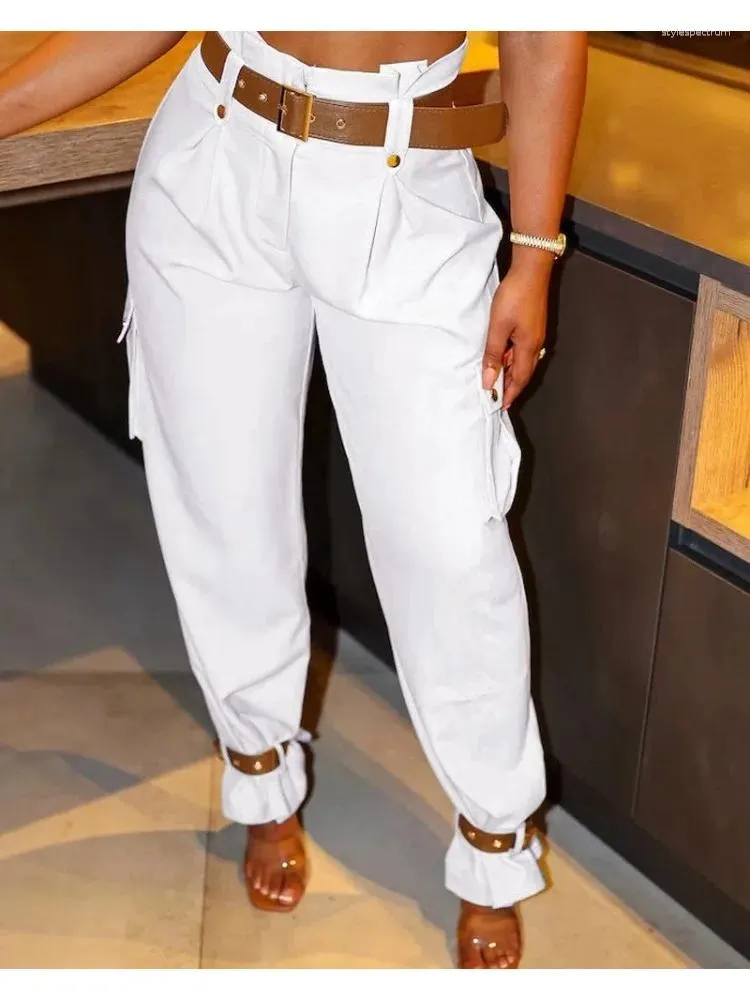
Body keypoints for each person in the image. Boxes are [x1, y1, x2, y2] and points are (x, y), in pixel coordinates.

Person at [0, 30, 587, 968]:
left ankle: (494, 837)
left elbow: (545, 37)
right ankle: (261, 776)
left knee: (450, 544)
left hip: (412, 178)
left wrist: (534, 255)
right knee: (225, 512)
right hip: (219, 154)